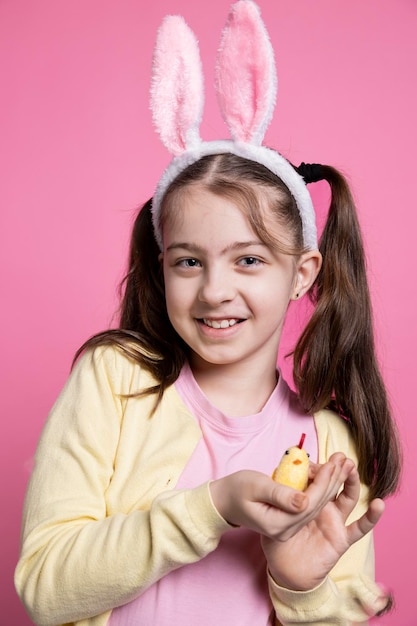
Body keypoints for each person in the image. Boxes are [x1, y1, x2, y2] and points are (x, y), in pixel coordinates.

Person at [15, 2, 401, 625]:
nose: (214, 290)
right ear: (161, 264)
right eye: (188, 262)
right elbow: (44, 584)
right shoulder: (116, 380)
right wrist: (212, 507)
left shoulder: (330, 441)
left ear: (302, 274)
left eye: (248, 260)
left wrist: (299, 587)